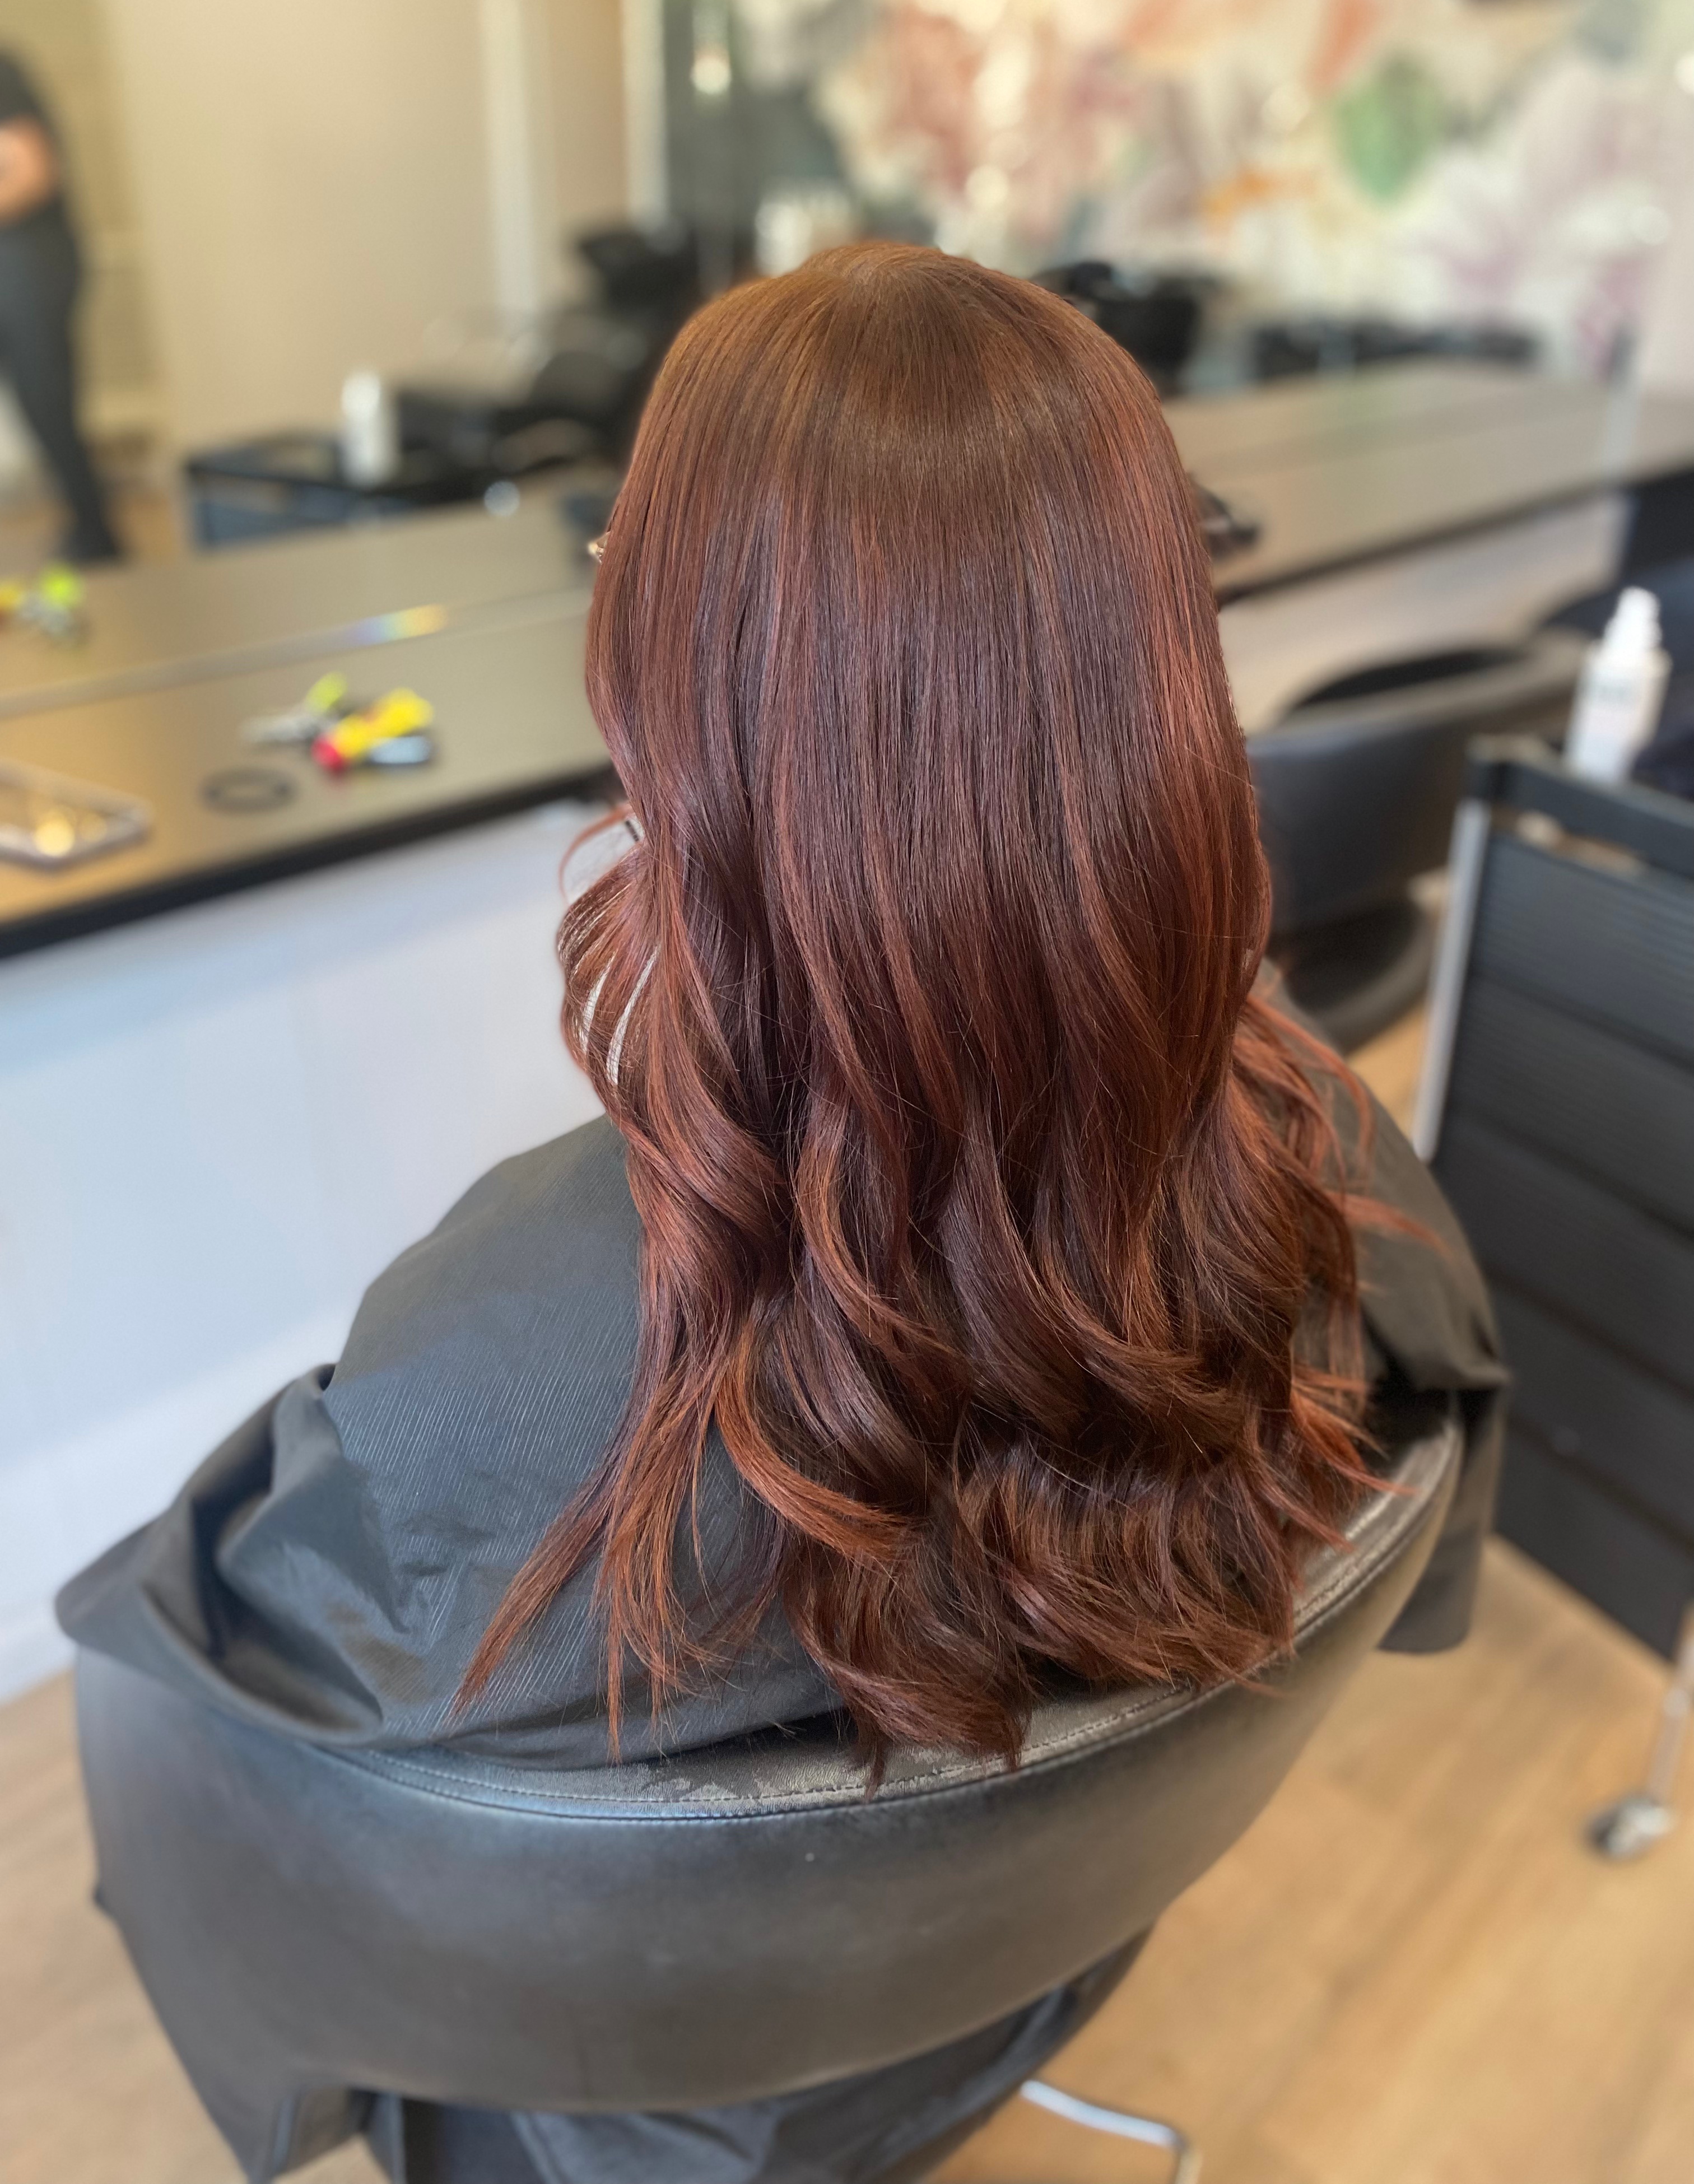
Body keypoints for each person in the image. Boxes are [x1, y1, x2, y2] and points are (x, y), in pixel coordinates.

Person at [58, 244, 1504, 2184]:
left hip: (633, 2099)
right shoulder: (1342, 1182)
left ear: (667, 676)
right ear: (1159, 666)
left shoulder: (481, 1383)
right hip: (1030, 1969)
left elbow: (217, 1792)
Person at [0, 47, 121, 564]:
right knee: (36, 407)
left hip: (30, 261)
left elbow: (32, 169)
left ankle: (96, 538)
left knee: (47, 404)